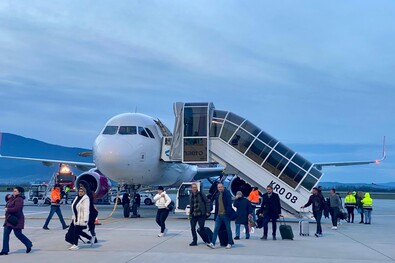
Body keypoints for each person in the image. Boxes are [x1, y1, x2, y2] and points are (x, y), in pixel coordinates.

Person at [1, 187, 33, 256]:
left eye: (15, 191)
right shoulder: (12, 198)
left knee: (18, 234)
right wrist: (7, 196)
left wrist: (8, 209)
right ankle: (4, 250)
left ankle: (28, 244)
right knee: (6, 234)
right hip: (9, 219)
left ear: (19, 192)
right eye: (13, 191)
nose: (13, 192)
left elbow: (17, 209)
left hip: (16, 220)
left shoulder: (19, 199)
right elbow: (7, 201)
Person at [207, 183, 235, 249]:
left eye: (220, 187)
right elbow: (217, 206)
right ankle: (212, 243)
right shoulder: (217, 194)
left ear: (223, 187)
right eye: (218, 187)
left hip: (225, 215)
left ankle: (229, 243)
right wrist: (215, 215)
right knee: (216, 229)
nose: (219, 188)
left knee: (228, 229)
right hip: (219, 215)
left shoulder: (227, 193)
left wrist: (228, 214)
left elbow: (229, 205)